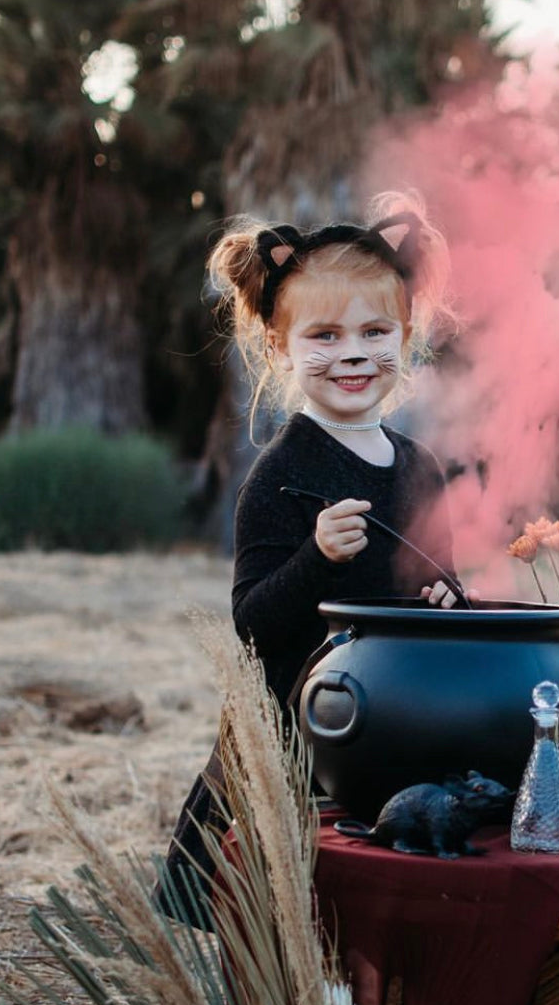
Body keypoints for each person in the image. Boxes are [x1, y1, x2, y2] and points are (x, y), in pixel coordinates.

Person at [161, 191, 458, 909]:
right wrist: (318, 557)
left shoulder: (422, 469)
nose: (352, 352)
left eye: (374, 331)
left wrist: (447, 596)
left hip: (396, 727)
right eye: (322, 336)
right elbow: (253, 622)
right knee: (279, 916)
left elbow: (444, 592)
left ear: (407, 333)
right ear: (278, 346)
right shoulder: (281, 474)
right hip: (297, 733)